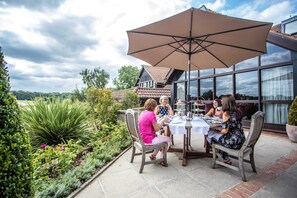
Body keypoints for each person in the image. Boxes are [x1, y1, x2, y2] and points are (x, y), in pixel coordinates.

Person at [210, 95, 246, 164]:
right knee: (217, 136)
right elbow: (232, 125)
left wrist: (215, 131)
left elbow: (225, 131)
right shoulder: (238, 112)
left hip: (233, 142)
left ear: (226, 103)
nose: (221, 103)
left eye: (222, 102)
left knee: (211, 136)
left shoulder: (226, 113)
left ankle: (225, 158)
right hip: (241, 140)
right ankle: (225, 157)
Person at [138, 98, 171, 163]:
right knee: (168, 140)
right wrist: (163, 121)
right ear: (154, 107)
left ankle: (153, 155)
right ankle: (162, 158)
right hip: (148, 139)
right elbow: (157, 129)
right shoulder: (151, 114)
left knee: (160, 138)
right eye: (156, 106)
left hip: (141, 137)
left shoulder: (143, 113)